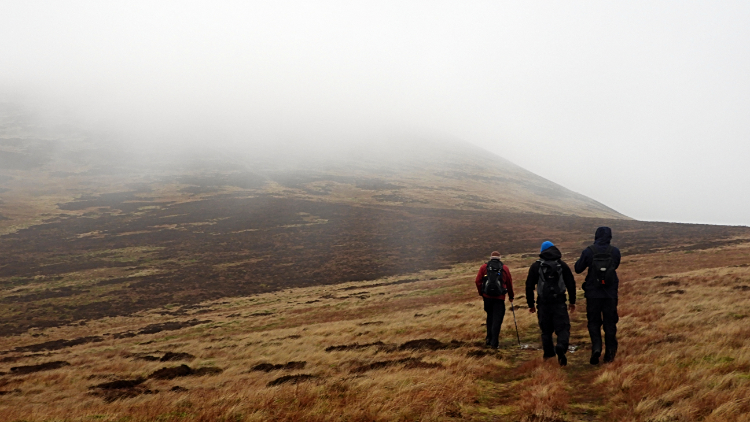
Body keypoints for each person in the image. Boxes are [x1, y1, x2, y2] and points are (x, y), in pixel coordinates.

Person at [575, 227, 621, 365]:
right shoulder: (615, 251)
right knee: (610, 323)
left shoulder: (589, 251)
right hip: (610, 294)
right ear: (610, 236)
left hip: (593, 294)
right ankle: (610, 354)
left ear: (596, 236)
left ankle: (596, 348)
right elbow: (616, 266)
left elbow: (578, 269)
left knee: (594, 322)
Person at [526, 241, 576, 366]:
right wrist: (572, 301)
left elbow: (529, 286)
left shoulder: (536, 266)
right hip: (559, 302)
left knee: (546, 331)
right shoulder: (562, 265)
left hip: (543, 303)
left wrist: (531, 304)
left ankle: (549, 356)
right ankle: (561, 347)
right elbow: (571, 283)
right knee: (563, 328)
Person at [474, 251, 514, 349]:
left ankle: (488, 338)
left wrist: (481, 293)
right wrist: (511, 296)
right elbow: (509, 282)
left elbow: (477, 281)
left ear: (491, 257)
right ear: (500, 258)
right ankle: (494, 342)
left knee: (490, 317)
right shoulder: (504, 268)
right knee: (497, 319)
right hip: (499, 298)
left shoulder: (484, 267)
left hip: (487, 297)